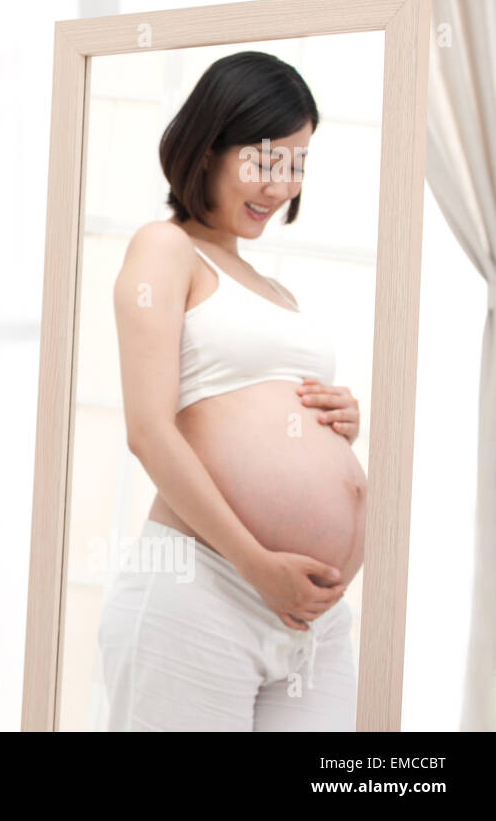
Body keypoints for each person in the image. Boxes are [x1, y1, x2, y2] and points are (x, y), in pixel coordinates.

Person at [98, 51, 365, 731]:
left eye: (297, 164)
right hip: (205, 587)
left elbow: (257, 414)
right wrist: (256, 564)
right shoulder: (166, 248)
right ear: (208, 146)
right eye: (264, 158)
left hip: (309, 619)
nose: (280, 186)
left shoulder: (278, 292)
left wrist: (338, 422)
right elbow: (148, 430)